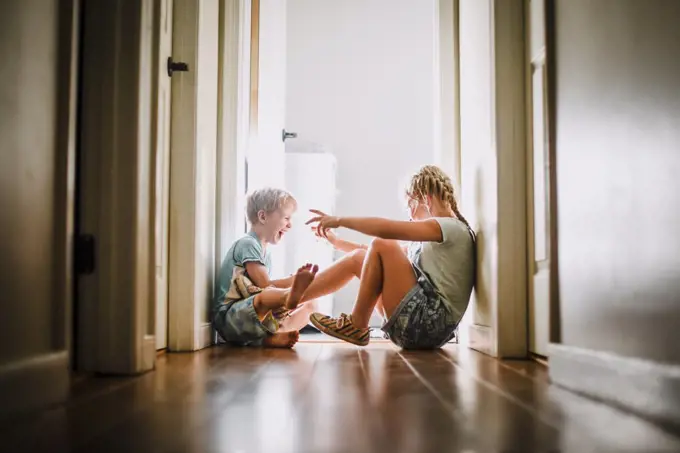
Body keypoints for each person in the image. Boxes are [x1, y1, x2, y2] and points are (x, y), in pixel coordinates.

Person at [305, 165, 475, 348]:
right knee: (360, 257)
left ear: (426, 199)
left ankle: (356, 324)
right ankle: (288, 299)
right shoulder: (432, 238)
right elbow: (372, 254)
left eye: (410, 204)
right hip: (420, 328)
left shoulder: (450, 227)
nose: (409, 214)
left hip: (427, 324)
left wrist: (340, 221)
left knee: (383, 242)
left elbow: (385, 232)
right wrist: (337, 242)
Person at [212, 188, 319, 349]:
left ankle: (273, 336)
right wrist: (291, 282)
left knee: (311, 305)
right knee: (267, 296)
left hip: (249, 318)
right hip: (228, 319)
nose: (290, 225)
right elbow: (264, 286)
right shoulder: (248, 243)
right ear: (263, 217)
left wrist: (292, 286)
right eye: (286, 218)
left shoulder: (265, 253)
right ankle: (280, 316)